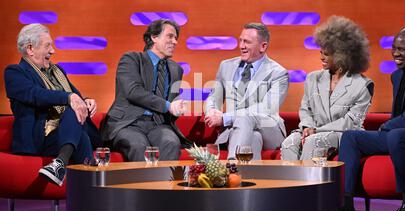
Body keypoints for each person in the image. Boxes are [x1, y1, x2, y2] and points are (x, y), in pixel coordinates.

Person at [318, 27, 405, 211]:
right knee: (351, 137)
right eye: (395, 48)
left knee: (398, 136)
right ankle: (345, 208)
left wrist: (385, 128)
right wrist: (387, 129)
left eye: (403, 49)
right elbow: (400, 117)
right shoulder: (397, 75)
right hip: (404, 134)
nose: (397, 53)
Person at [4, 23, 101, 186]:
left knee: (79, 128)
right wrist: (70, 98)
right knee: (80, 133)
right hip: (41, 137)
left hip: (66, 132)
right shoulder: (14, 72)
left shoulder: (58, 72)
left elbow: (75, 96)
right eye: (48, 45)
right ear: (30, 49)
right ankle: (99, 205)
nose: (53, 51)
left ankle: (59, 164)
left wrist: (87, 101)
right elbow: (35, 94)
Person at [281, 16, 374, 162]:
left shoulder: (363, 85)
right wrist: (307, 127)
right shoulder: (313, 78)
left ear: (342, 55)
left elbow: (350, 123)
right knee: (289, 143)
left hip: (343, 134)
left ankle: (307, 184)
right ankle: (290, 184)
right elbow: (306, 110)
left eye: (327, 54)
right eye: (321, 53)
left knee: (314, 142)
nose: (322, 58)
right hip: (312, 130)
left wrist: (316, 131)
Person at [102, 19, 189, 163]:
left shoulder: (176, 69)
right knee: (138, 146)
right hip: (129, 123)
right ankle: (143, 186)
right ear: (154, 37)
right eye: (170, 36)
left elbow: (170, 103)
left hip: (159, 125)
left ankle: (164, 185)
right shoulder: (131, 59)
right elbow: (133, 91)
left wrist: (177, 106)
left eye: (176, 38)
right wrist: (168, 106)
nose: (175, 42)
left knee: (171, 143)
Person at [204, 23, 289, 160]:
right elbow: (214, 97)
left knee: (245, 118)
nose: (241, 46)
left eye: (247, 42)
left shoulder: (278, 73)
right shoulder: (226, 66)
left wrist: (225, 118)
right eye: (241, 40)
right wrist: (211, 111)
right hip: (236, 132)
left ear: (263, 46)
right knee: (254, 138)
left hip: (268, 128)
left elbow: (266, 109)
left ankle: (232, 167)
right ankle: (245, 178)